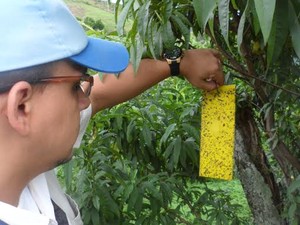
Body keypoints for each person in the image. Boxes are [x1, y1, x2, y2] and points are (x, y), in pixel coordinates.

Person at [0, 0, 224, 224]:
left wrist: (178, 64)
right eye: (75, 85)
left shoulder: (22, 150)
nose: (85, 102)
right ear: (20, 107)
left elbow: (99, 93)